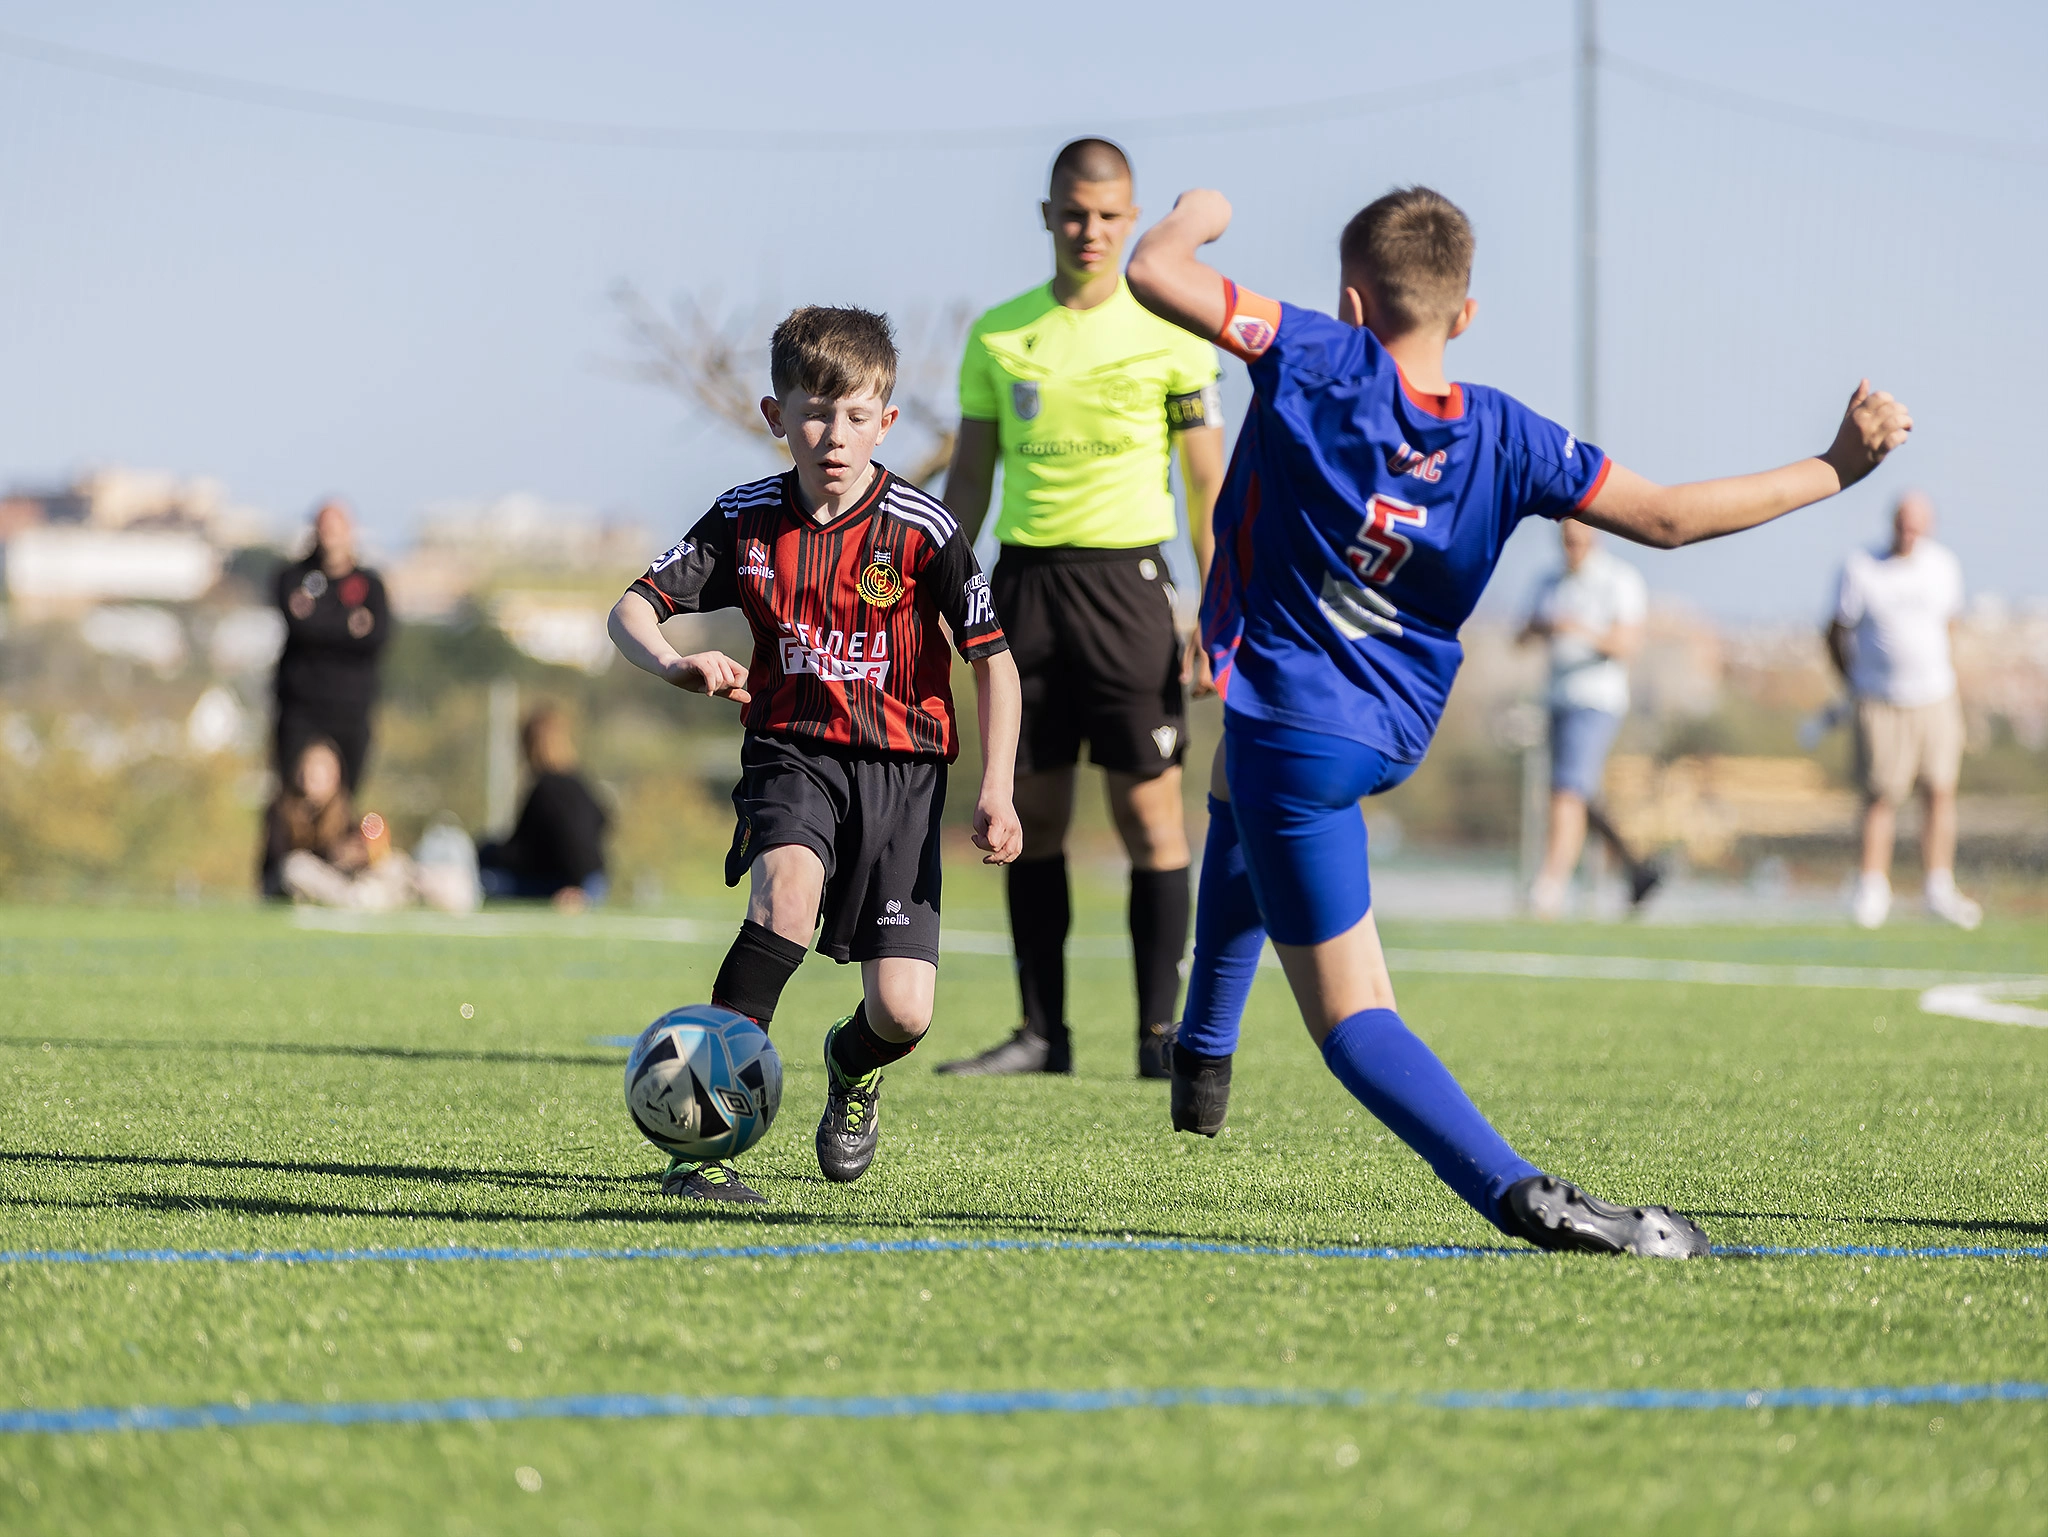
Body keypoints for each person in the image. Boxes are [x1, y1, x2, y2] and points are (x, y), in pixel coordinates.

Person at [1126, 183, 1910, 1256]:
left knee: (1352, 1017)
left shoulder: (1314, 355)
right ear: (1465, 314)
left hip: (1292, 728)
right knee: (1227, 790)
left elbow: (1152, 271)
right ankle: (1202, 1048)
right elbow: (1671, 519)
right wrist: (1837, 465)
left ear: (1352, 301)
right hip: (1382, 732)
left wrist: (1193, 213)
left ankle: (1518, 1193)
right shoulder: (1505, 434)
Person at [608, 305, 1022, 1205]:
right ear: (775, 414)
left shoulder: (925, 530)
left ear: (888, 420)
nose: (834, 435)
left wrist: (997, 789)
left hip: (906, 777)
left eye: (857, 415)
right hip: (791, 753)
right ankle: (700, 1150)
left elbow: (995, 663)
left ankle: (849, 1064)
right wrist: (675, 662)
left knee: (903, 1012)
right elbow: (629, 610)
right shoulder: (746, 519)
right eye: (814, 412)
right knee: (784, 895)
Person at [934, 137, 1227, 1080]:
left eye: (1108, 215)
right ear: (1047, 215)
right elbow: (971, 476)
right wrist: (943, 587)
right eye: (1073, 212)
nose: (1089, 230)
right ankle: (1041, 1034)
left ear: (1132, 219)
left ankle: (1158, 1040)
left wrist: (1217, 612)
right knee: (1033, 814)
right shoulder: (998, 334)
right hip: (1023, 589)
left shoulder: (1176, 335)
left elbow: (1207, 491)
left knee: (1152, 821)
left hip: (1130, 593)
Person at [1827, 492, 1979, 930]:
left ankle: (1938, 888)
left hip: (1936, 696)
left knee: (1940, 789)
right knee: (1880, 794)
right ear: (1892, 522)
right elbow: (1836, 631)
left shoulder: (1944, 565)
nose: (1908, 532)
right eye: (1903, 523)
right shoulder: (1861, 566)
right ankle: (1872, 889)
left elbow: (1951, 625)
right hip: (1879, 698)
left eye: (1917, 525)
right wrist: (1853, 680)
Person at [1519, 518, 1661, 917]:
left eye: (1579, 539)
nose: (1572, 547)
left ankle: (1550, 885)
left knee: (1567, 792)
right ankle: (1639, 870)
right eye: (1566, 540)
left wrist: (1577, 629)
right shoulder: (1550, 581)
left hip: (1596, 700)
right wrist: (1538, 626)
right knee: (1583, 796)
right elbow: (1520, 638)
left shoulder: (1619, 579)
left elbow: (1627, 643)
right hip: (1556, 697)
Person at [273, 499, 391, 793]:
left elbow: (379, 637)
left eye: (336, 529)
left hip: (350, 711)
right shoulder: (293, 578)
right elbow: (300, 626)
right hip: (300, 708)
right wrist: (348, 625)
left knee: (345, 800)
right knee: (291, 797)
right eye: (324, 529)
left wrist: (318, 618)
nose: (330, 537)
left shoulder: (371, 585)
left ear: (351, 532)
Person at [478, 704, 610, 911]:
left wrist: (487, 851)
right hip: (597, 883)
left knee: (486, 881)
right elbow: (603, 821)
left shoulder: (546, 789)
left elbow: (566, 840)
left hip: (566, 885)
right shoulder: (579, 782)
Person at [259, 737, 410, 909]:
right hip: (297, 880)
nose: (314, 776)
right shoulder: (282, 808)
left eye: (323, 770)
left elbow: (355, 850)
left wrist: (358, 855)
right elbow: (281, 860)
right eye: (311, 769)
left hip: (337, 877)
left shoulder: (342, 808)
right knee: (296, 867)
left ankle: (370, 895)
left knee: (394, 863)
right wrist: (332, 856)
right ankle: (357, 898)